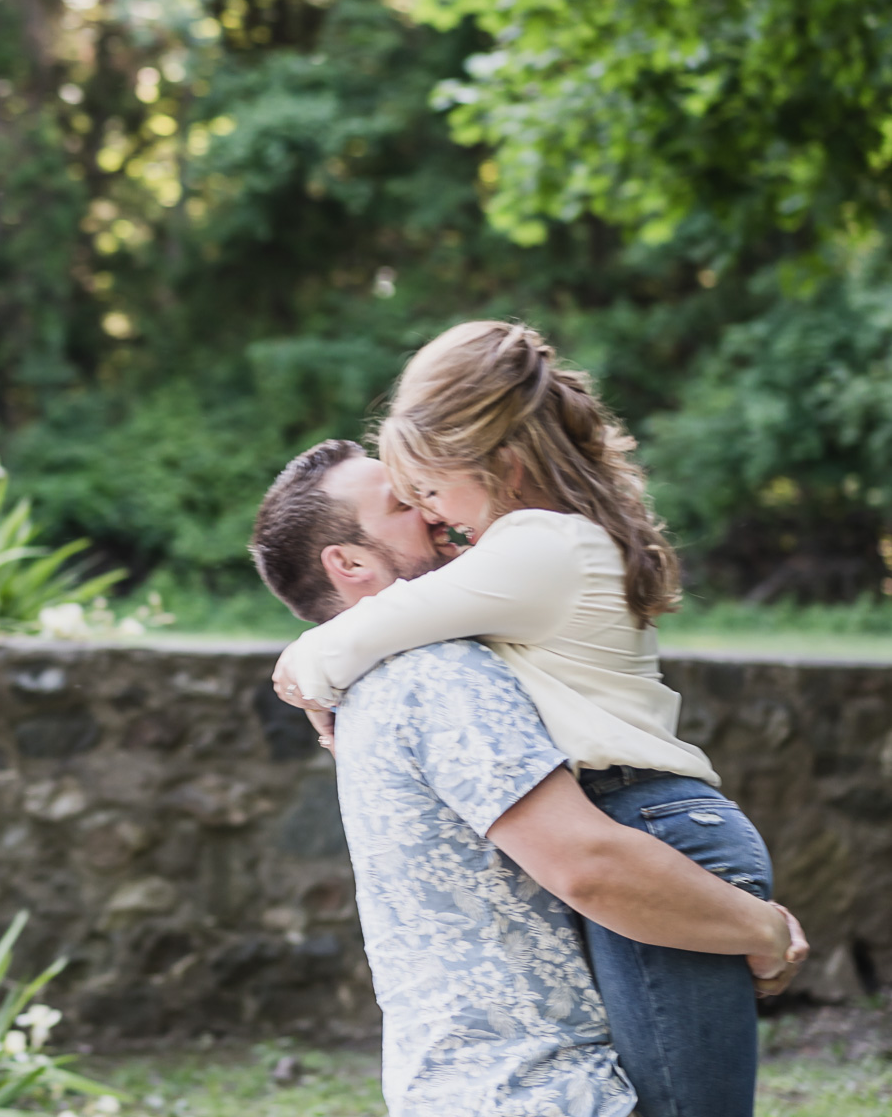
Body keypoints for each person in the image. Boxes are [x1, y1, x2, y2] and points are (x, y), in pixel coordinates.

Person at [270, 323, 805, 1117]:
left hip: (652, 823)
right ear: (346, 564)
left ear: (498, 465)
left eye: (429, 488)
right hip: (640, 821)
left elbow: (372, 628)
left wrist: (305, 672)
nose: (432, 515)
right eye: (404, 500)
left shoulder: (533, 552)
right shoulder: (441, 669)